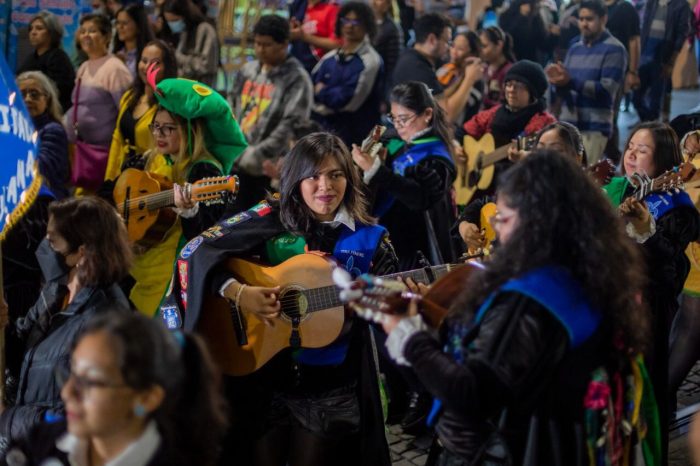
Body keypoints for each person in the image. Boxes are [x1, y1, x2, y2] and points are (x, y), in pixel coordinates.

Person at [377, 150, 651, 464]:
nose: (498, 232)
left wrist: (409, 337)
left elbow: (473, 395)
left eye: (503, 219)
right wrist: (444, 314)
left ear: (538, 222)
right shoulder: (585, 272)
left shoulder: (531, 297)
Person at [160, 132, 398, 466]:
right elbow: (203, 256)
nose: (324, 186)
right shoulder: (271, 218)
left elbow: (389, 319)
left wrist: (389, 307)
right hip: (261, 378)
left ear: (350, 177)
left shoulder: (372, 240)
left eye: (335, 174)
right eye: (312, 176)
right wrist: (241, 292)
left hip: (329, 387)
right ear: (295, 179)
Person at [3, 311, 227, 466]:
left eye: (90, 382)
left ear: (146, 398)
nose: (67, 393)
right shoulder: (39, 443)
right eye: (70, 374)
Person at [0, 196, 133, 445]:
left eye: (52, 241)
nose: (44, 246)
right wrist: (3, 326)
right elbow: (24, 346)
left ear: (81, 252)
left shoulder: (106, 321)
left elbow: (83, 420)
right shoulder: (57, 289)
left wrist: (9, 418)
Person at [604, 122, 700, 462]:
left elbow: (669, 275)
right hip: (606, 311)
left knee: (644, 406)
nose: (631, 152)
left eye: (642, 150)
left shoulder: (678, 207)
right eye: (630, 145)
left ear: (663, 161)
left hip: (646, 318)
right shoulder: (616, 189)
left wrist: (646, 231)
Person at [116, 75, 247, 316]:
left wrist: (190, 212)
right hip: (139, 265)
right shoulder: (149, 158)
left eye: (168, 128)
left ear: (190, 130)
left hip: (174, 274)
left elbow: (206, 233)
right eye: (155, 126)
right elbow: (116, 190)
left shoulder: (204, 170)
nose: (159, 134)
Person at [353, 80, 456, 270]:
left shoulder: (437, 157)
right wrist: (375, 147)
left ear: (427, 114)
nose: (398, 126)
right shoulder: (402, 142)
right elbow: (392, 144)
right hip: (392, 240)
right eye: (394, 119)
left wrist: (376, 169)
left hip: (420, 251)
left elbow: (420, 197)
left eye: (404, 119)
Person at [231, 14, 313, 210]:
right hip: (236, 160)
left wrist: (256, 154)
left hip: (269, 169)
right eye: (257, 43)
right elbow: (231, 108)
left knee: (259, 226)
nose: (260, 49)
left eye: (266, 44)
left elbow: (291, 125)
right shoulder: (247, 70)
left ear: (284, 44)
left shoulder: (296, 78)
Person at [546, 0, 627, 165]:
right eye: (581, 19)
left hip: (594, 126)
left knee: (583, 179)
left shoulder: (615, 49)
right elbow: (568, 84)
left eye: (589, 19)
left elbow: (606, 90)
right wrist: (557, 81)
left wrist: (570, 81)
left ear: (603, 19)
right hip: (569, 125)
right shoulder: (575, 47)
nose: (584, 24)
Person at [64, 13, 133, 184]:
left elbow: (125, 111)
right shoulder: (84, 67)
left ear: (107, 36)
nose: (86, 35)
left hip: (103, 153)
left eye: (92, 31)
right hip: (80, 149)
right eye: (83, 31)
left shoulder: (115, 68)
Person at [311, 2, 383, 147]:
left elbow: (348, 103)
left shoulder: (371, 61)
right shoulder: (329, 58)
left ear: (367, 25)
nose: (350, 26)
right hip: (327, 135)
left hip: (360, 138)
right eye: (346, 20)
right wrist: (330, 95)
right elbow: (311, 91)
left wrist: (322, 91)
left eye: (356, 21)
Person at [105, 39, 177, 182]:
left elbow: (167, 153)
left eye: (155, 63)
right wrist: (109, 179)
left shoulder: (170, 105)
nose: (147, 67)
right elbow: (117, 140)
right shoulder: (129, 97)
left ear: (167, 68)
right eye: (144, 61)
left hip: (150, 182)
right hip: (123, 176)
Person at [17, 71, 70, 199]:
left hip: (45, 204)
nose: (28, 99)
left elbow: (42, 168)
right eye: (22, 94)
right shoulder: (12, 129)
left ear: (47, 100)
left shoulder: (53, 130)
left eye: (34, 94)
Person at [17, 11, 75, 112]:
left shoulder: (59, 58)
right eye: (31, 29)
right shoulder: (30, 58)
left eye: (39, 28)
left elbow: (59, 91)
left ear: (52, 33)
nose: (33, 32)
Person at [162, 0, 218, 86]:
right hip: (186, 88)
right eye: (169, 21)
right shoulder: (185, 32)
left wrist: (180, 58)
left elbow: (206, 65)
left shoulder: (205, 30)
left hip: (202, 90)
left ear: (185, 16)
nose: (172, 24)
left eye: (175, 20)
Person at [436, 31, 484, 124]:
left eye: (460, 49)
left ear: (473, 54)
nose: (453, 52)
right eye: (453, 46)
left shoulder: (477, 81)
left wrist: (467, 78)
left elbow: (450, 115)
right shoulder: (446, 69)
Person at [288, 0, 342, 73]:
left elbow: (337, 44)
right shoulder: (297, 5)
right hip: (295, 65)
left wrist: (304, 37)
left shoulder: (333, 8)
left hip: (319, 69)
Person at [499, 0, 555, 65]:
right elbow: (506, 36)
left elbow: (544, 45)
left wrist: (553, 36)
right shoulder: (508, 14)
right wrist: (521, 17)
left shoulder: (535, 17)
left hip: (530, 63)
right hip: (510, 63)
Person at [113, 4, 156, 78]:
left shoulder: (150, 55)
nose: (120, 27)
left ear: (139, 25)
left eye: (125, 23)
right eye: (118, 23)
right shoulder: (117, 53)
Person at [371, 0, 402, 102]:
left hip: (379, 86)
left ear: (388, 4)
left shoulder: (392, 29)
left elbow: (393, 66)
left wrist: (385, 98)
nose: (374, 2)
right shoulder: (364, 24)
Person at [478, 26, 515, 110]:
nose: (480, 51)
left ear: (499, 45)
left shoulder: (509, 72)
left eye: (484, 46)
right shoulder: (484, 68)